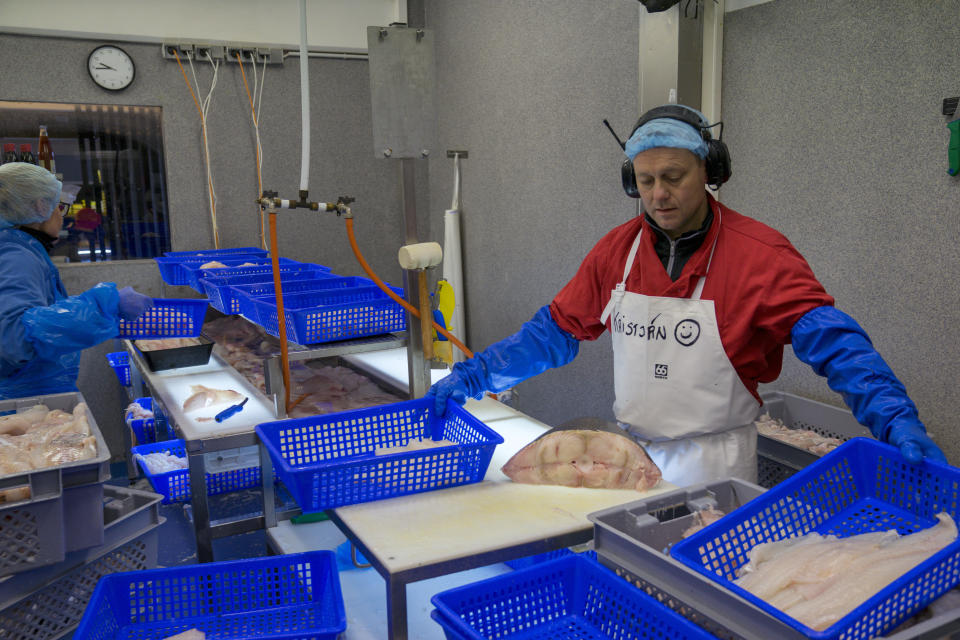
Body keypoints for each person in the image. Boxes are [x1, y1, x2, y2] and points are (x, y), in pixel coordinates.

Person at [427, 104, 946, 485]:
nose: (658, 195)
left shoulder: (760, 254)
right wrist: (476, 375)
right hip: (629, 460)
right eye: (646, 180)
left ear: (710, 172)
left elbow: (834, 343)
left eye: (673, 177)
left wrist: (894, 416)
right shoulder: (618, 251)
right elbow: (555, 332)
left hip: (716, 468)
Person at [0, 162, 153, 400]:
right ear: (40, 206)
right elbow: (15, 336)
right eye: (59, 206)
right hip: (23, 398)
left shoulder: (18, 249)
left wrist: (99, 317)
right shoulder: (16, 256)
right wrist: (105, 304)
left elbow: (36, 313)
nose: (61, 215)